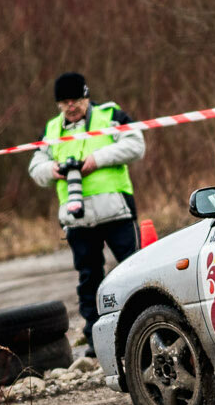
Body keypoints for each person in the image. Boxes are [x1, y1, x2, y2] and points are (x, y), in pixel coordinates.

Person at [28, 71, 145, 351]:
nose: (71, 106)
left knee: (135, 271)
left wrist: (98, 159)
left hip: (116, 212)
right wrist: (51, 170)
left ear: (87, 96)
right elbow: (34, 167)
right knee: (88, 280)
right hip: (76, 218)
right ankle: (96, 340)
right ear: (58, 104)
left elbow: (136, 145)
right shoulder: (51, 129)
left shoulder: (110, 115)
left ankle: (144, 328)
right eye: (65, 102)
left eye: (76, 100)